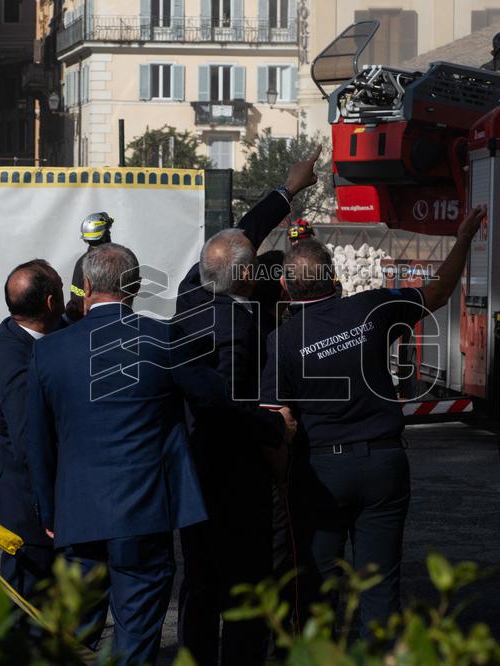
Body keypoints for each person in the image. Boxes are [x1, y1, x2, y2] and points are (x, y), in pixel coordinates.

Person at [24, 243, 295, 665]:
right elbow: (217, 404)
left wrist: (48, 513)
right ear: (134, 287)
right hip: (143, 514)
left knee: (74, 634)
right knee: (136, 638)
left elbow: (37, 442)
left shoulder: (47, 351)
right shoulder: (163, 339)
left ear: (87, 285)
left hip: (76, 515)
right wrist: (276, 427)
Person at [260, 205, 487, 634]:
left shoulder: (282, 341)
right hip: (383, 465)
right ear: (334, 279)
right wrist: (461, 241)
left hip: (321, 473)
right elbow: (437, 293)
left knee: (319, 589)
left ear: (287, 287)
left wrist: (279, 480)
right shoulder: (372, 308)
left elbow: (280, 421)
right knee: (381, 587)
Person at [175, 151, 320, 666]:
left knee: (197, 586)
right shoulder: (240, 331)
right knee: (241, 585)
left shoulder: (189, 297)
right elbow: (227, 407)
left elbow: (233, 244)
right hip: (234, 475)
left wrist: (286, 191)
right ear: (250, 275)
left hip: (192, 474)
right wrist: (272, 427)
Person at [0, 259, 65, 598]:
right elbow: (31, 445)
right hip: (27, 508)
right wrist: (50, 510)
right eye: (62, 289)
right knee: (29, 602)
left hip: (22, 499)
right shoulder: (17, 362)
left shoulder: (17, 331)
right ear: (49, 303)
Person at [66, 211, 114, 322]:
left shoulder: (82, 262)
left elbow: (75, 301)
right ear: (104, 236)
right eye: (108, 231)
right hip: (103, 321)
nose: (109, 234)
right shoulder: (113, 262)